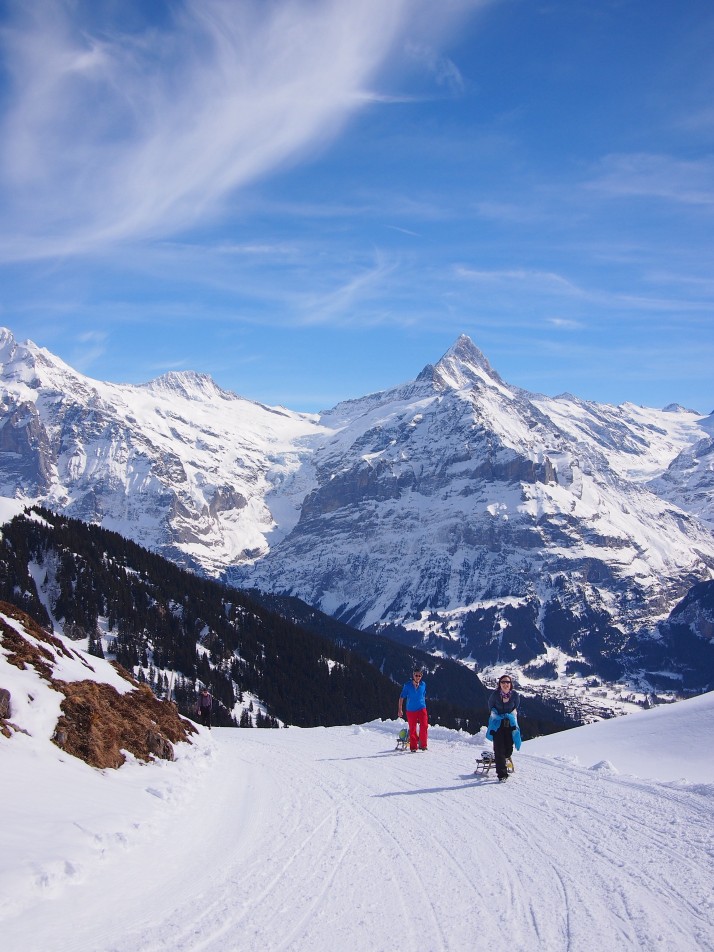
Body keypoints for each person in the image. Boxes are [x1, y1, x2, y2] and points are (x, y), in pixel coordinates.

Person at [486, 674, 521, 781]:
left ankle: (504, 759)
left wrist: (509, 716)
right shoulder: (495, 695)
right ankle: (502, 774)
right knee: (499, 748)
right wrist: (497, 715)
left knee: (508, 748)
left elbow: (516, 706)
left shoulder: (515, 695)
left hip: (509, 724)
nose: (505, 684)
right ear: (499, 684)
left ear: (511, 684)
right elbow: (490, 706)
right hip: (497, 724)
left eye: (508, 682)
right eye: (503, 682)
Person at [397, 666, 428, 752]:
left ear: (421, 676)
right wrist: (400, 709)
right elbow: (401, 697)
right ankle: (413, 747)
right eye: (416, 675)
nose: (418, 677)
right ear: (413, 675)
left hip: (422, 708)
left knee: (424, 726)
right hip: (411, 710)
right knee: (413, 728)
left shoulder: (423, 684)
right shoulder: (407, 685)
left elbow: (423, 695)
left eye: (419, 676)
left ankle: (423, 745)